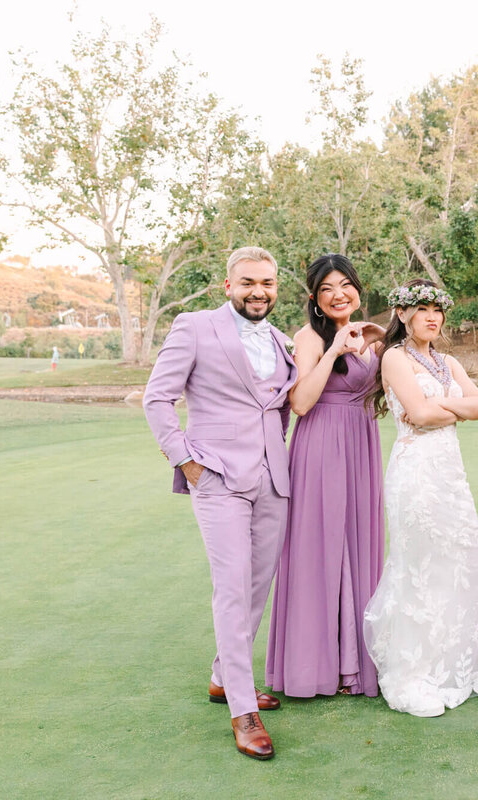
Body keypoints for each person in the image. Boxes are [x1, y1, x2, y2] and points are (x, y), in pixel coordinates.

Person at [142, 246, 297, 760]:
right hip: (218, 478)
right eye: (249, 282)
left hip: (273, 478)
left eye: (268, 283)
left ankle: (220, 676)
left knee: (257, 585)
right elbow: (157, 397)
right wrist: (186, 461)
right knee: (231, 587)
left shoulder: (280, 339)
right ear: (227, 286)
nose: (259, 291)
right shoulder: (195, 326)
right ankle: (241, 707)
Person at [362, 279, 478, 717]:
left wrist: (447, 409)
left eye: (437, 309)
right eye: (422, 309)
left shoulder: (449, 361)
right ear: (402, 314)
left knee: (457, 558)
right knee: (418, 564)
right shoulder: (395, 358)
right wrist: (456, 408)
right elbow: (417, 414)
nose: (432, 316)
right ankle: (413, 670)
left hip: (450, 475)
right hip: (415, 472)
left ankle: (457, 662)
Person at [266, 254, 385, 698]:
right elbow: (300, 403)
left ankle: (353, 666)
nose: (339, 295)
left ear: (357, 288)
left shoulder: (369, 334)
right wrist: (335, 347)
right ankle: (315, 665)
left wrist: (381, 343)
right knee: (320, 548)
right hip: (320, 447)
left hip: (361, 445)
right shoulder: (309, 337)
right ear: (315, 299)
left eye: (346, 285)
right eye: (328, 289)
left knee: (356, 544)